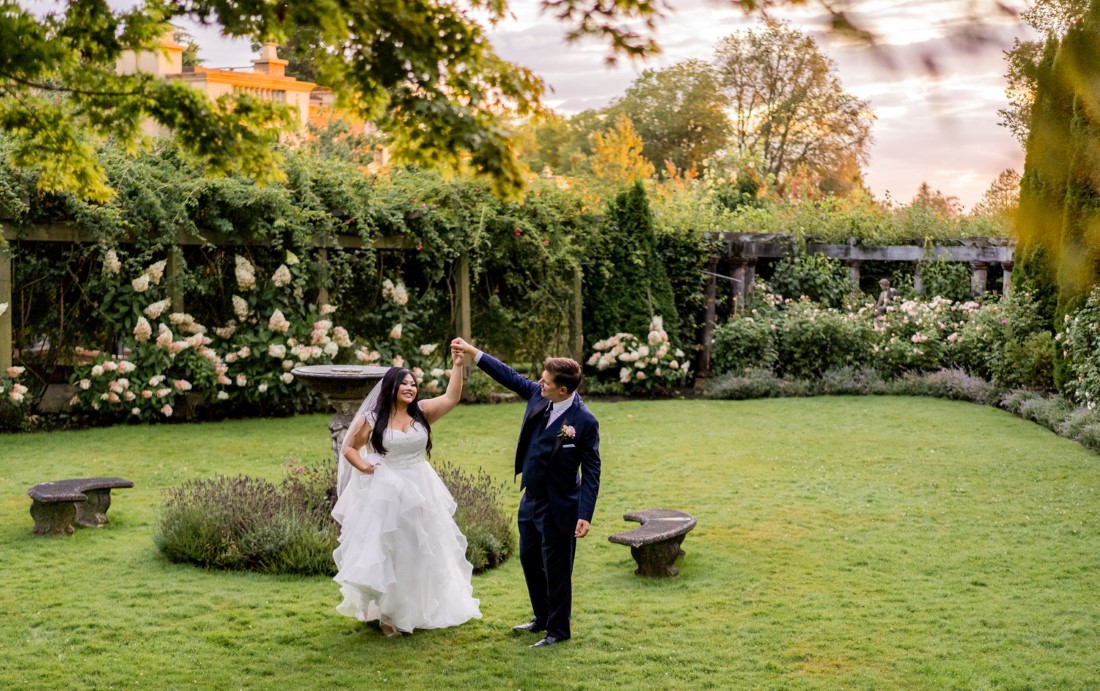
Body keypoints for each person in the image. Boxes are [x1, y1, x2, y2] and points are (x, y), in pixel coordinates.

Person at [450, 337, 601, 649]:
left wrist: (585, 514)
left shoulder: (584, 422)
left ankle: (558, 630)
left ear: (564, 390)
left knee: (557, 568)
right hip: (530, 498)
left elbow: (592, 470)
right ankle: (542, 617)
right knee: (529, 559)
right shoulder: (538, 395)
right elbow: (508, 375)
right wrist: (473, 352)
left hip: (561, 504)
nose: (539, 383)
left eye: (546, 381)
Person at [332, 350, 481, 637]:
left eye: (413, 384)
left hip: (421, 487)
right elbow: (349, 447)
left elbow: (452, 398)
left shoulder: (422, 412)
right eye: (405, 384)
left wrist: (457, 366)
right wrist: (364, 466)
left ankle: (415, 608)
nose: (411, 388)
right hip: (386, 492)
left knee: (420, 549)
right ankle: (388, 615)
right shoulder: (373, 418)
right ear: (391, 388)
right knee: (392, 551)